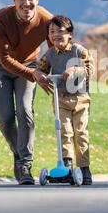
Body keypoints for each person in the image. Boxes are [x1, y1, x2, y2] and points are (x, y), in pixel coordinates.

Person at [0, 0, 53, 185]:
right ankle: (18, 151)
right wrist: (34, 75)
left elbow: (55, 50)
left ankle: (24, 164)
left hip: (30, 64)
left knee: (25, 110)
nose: (26, 3)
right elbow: (5, 59)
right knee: (5, 117)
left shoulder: (47, 20)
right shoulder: (0, 19)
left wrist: (55, 73)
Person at [37, 15, 95, 185]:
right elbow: (41, 68)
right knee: (64, 132)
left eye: (60, 31)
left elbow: (89, 69)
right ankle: (67, 164)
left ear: (70, 34)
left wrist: (75, 70)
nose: (55, 35)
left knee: (81, 133)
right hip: (60, 98)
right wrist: (40, 74)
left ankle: (84, 167)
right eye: (51, 32)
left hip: (80, 99)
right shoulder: (49, 54)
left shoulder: (78, 50)